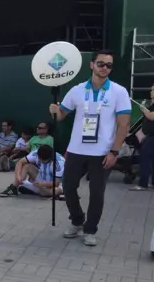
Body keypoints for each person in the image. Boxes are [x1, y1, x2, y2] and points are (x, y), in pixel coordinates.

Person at [48, 49, 131, 246]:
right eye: (101, 64)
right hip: (76, 149)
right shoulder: (77, 90)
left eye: (109, 65)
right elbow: (60, 116)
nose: (104, 68)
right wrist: (54, 110)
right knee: (67, 187)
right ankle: (77, 220)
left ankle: (90, 229)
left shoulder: (119, 92)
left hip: (102, 152)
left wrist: (114, 151)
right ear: (92, 65)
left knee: (97, 193)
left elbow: (123, 125)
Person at [136, 85, 154, 191]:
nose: (151, 92)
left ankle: (143, 184)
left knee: (145, 156)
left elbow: (151, 116)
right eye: (151, 90)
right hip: (150, 135)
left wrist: (144, 110)